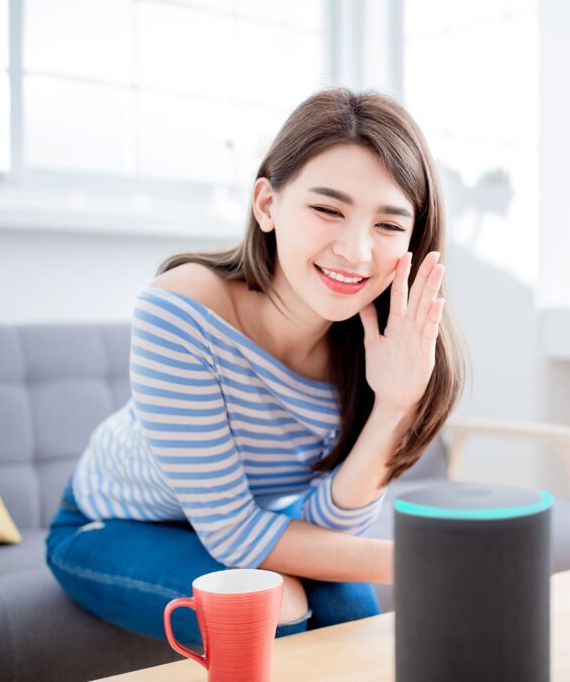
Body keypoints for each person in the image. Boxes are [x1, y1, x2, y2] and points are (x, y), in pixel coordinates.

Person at [45, 87, 465, 644]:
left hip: (246, 533)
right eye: (326, 209)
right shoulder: (181, 310)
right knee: (274, 608)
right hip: (113, 525)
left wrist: (394, 404)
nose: (357, 251)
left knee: (348, 608)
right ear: (267, 205)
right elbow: (236, 536)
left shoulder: (383, 347)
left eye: (388, 225)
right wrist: (419, 560)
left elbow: (331, 525)